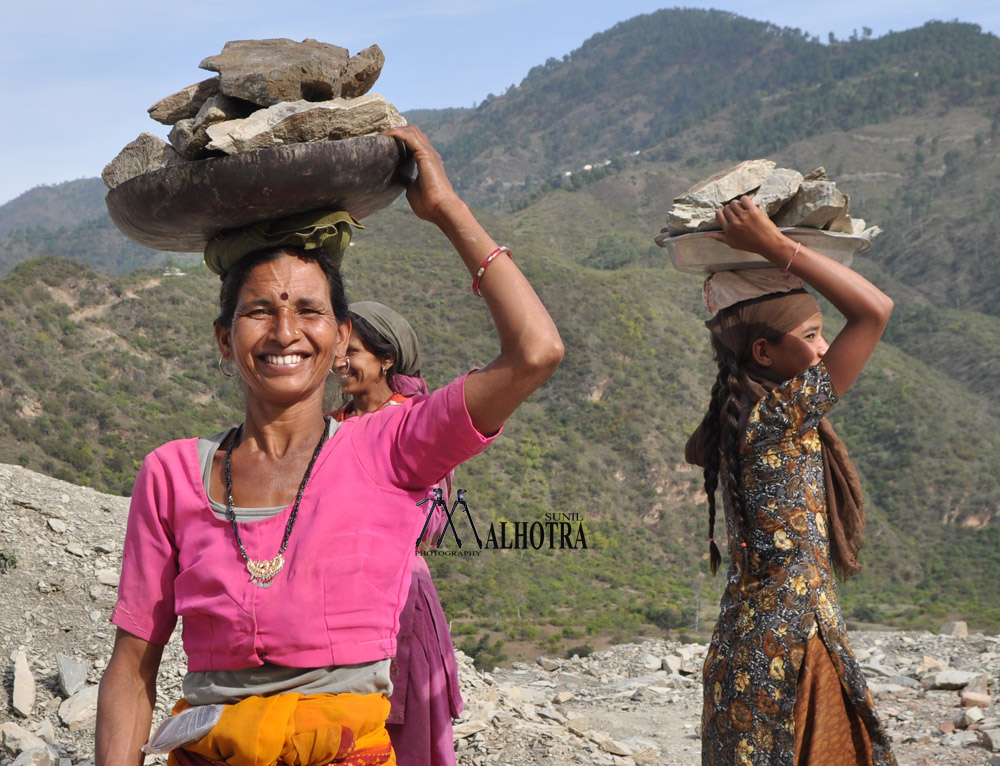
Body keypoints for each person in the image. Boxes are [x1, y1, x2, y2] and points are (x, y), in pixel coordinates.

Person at [94, 125, 564, 766]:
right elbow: (131, 669)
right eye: (260, 311)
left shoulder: (392, 447)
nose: (285, 330)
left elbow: (536, 353)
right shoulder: (173, 473)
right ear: (223, 339)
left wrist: (448, 212)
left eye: (309, 311)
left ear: (342, 338)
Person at [685, 196, 896, 766]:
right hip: (794, 644)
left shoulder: (736, 420)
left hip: (743, 646)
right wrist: (776, 248)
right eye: (811, 335)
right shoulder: (776, 417)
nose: (826, 348)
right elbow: (875, 311)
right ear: (764, 353)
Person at [329, 300, 462, 766]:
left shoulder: (415, 420)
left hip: (399, 598)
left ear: (387, 359)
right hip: (338, 603)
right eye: (338, 351)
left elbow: (432, 520)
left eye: (355, 352)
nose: (340, 362)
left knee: (402, 734)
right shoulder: (329, 425)